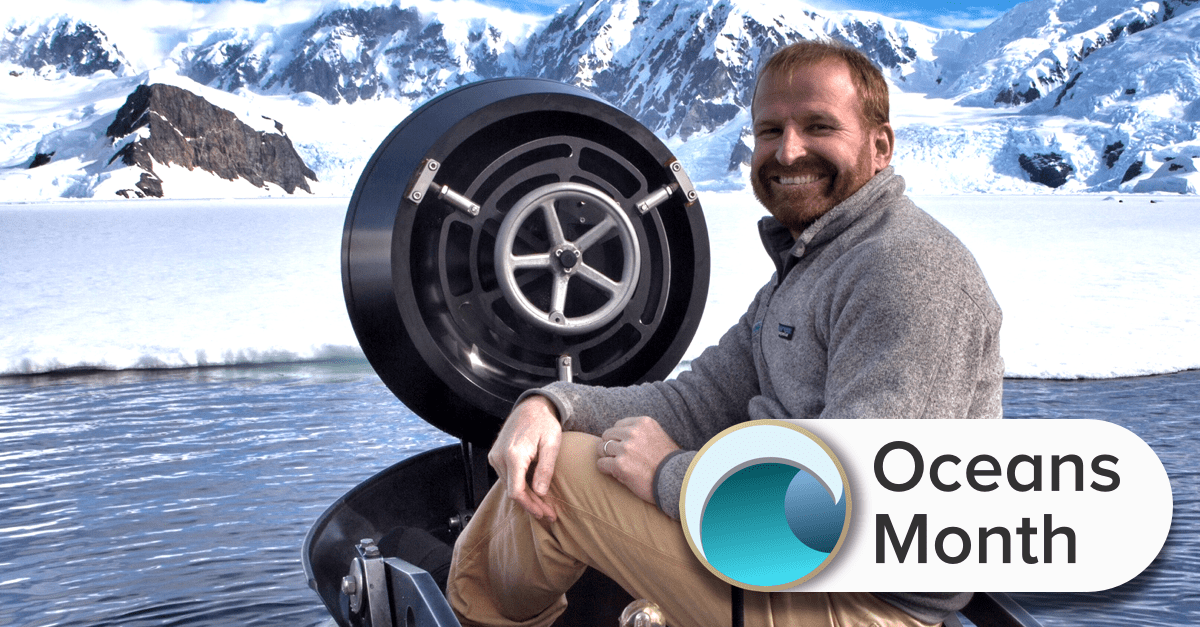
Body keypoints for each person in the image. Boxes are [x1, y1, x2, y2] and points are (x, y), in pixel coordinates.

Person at [446, 40, 1004, 627]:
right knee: (560, 443)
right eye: (770, 131)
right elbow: (695, 401)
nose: (788, 152)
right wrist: (553, 405)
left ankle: (471, 608)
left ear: (880, 145)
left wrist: (672, 477)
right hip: (785, 567)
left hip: (861, 604)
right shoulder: (815, 264)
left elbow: (860, 506)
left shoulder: (906, 271)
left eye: (818, 126)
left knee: (561, 475)